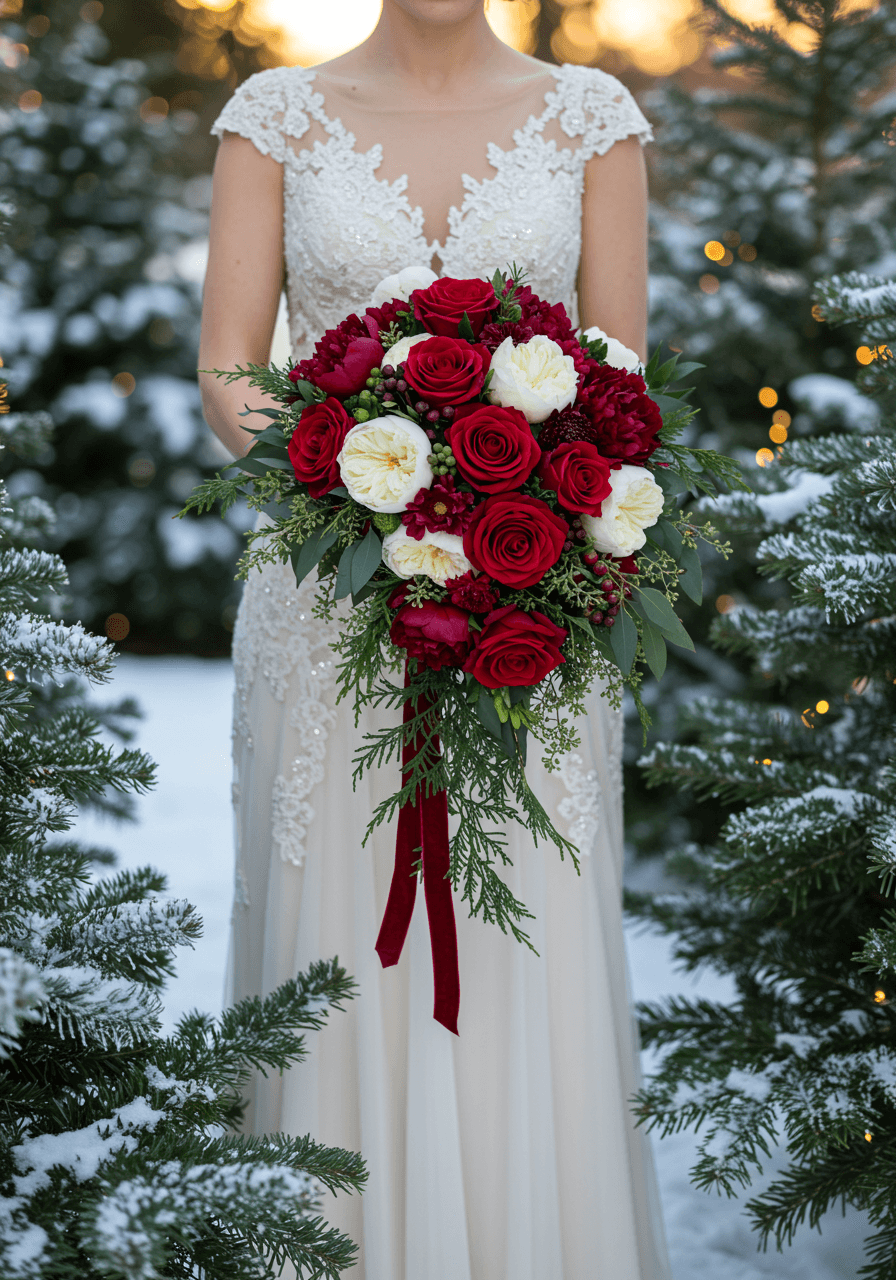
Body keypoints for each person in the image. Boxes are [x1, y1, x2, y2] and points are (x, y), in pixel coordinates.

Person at [199, 1, 672, 1276]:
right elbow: (230, 368)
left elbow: (620, 374)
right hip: (324, 593)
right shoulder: (272, 120)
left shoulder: (592, 121)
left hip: (534, 601)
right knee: (334, 930)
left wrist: (516, 514)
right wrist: (353, 479)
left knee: (527, 924)